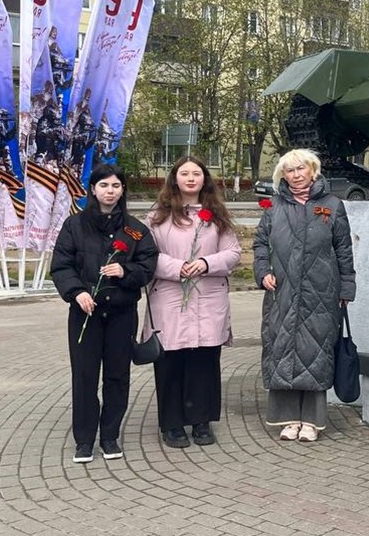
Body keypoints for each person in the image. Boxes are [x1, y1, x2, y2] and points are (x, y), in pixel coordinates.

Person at [51, 163, 159, 464]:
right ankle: (84, 440)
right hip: (86, 315)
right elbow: (61, 265)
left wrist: (126, 271)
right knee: (85, 376)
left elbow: (148, 265)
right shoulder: (74, 225)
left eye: (115, 186)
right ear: (93, 189)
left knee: (117, 376)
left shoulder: (135, 229)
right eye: (104, 185)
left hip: (121, 314)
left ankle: (109, 436)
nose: (110, 191)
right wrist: (77, 292)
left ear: (122, 190)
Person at [253, 149, 355, 443]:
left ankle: (311, 421)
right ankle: (288, 419)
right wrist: (262, 272)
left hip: (320, 292)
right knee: (282, 348)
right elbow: (260, 244)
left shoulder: (332, 206)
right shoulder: (274, 207)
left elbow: (344, 249)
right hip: (282, 291)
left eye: (301, 168)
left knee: (316, 352)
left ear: (313, 170)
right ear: (282, 175)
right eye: (290, 170)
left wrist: (347, 288)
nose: (296, 175)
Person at [145, 156, 241, 449]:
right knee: (170, 363)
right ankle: (172, 424)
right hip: (170, 298)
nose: (190, 178)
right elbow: (146, 254)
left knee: (204, 362)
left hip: (208, 298)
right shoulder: (158, 215)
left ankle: (202, 421)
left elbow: (233, 252)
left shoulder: (217, 216)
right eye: (184, 173)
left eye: (196, 173)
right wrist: (177, 267)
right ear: (174, 178)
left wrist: (206, 263)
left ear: (204, 179)